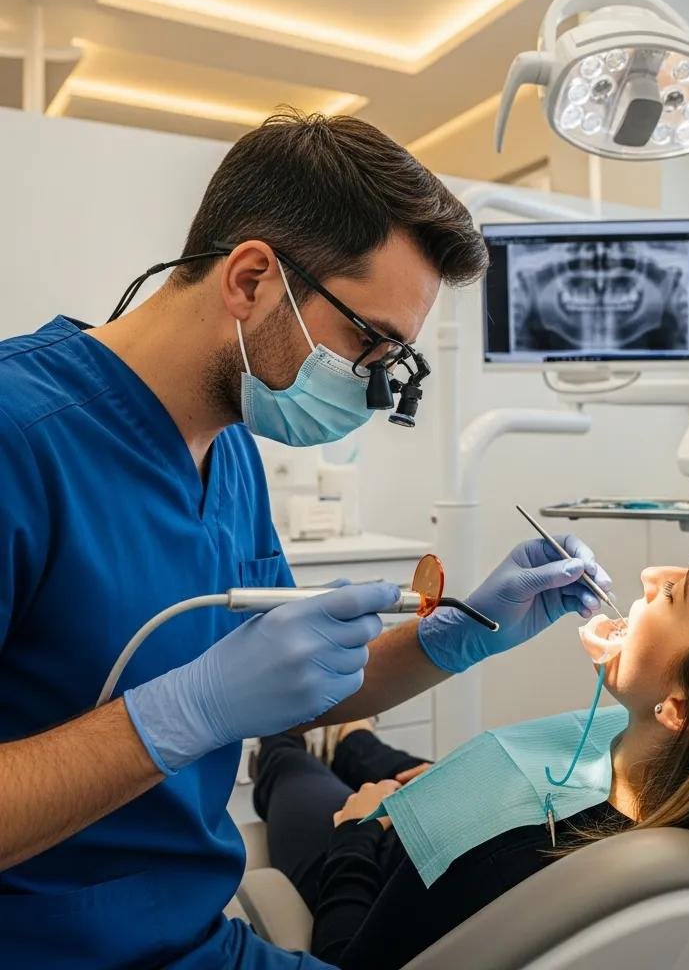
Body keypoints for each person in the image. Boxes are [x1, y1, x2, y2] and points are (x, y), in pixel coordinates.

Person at [0, 112, 612, 970]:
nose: (372, 388)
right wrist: (183, 712)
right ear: (251, 279)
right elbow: (217, 695)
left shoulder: (231, 448)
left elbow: (301, 693)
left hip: (198, 940)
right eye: (369, 342)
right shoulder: (19, 436)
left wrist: (461, 635)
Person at [252, 529, 689, 970]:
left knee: (291, 767)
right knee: (395, 768)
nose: (651, 572)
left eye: (676, 589)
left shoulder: (516, 860)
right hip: (449, 821)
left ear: (679, 708)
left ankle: (307, 744)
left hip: (376, 860)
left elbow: (353, 958)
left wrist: (350, 843)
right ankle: (360, 740)